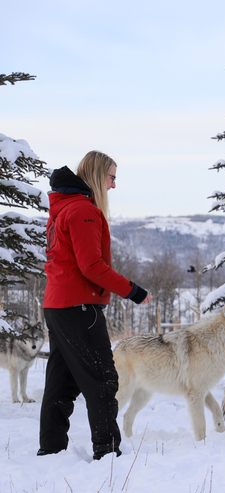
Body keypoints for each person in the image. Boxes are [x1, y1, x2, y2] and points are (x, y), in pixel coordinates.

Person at [39, 151, 152, 460]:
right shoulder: (83, 211)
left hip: (58, 305)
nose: (114, 185)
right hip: (79, 307)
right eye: (111, 177)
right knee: (103, 380)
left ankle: (50, 451)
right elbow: (91, 266)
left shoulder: (63, 208)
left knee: (61, 382)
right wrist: (134, 291)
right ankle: (107, 452)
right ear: (98, 176)